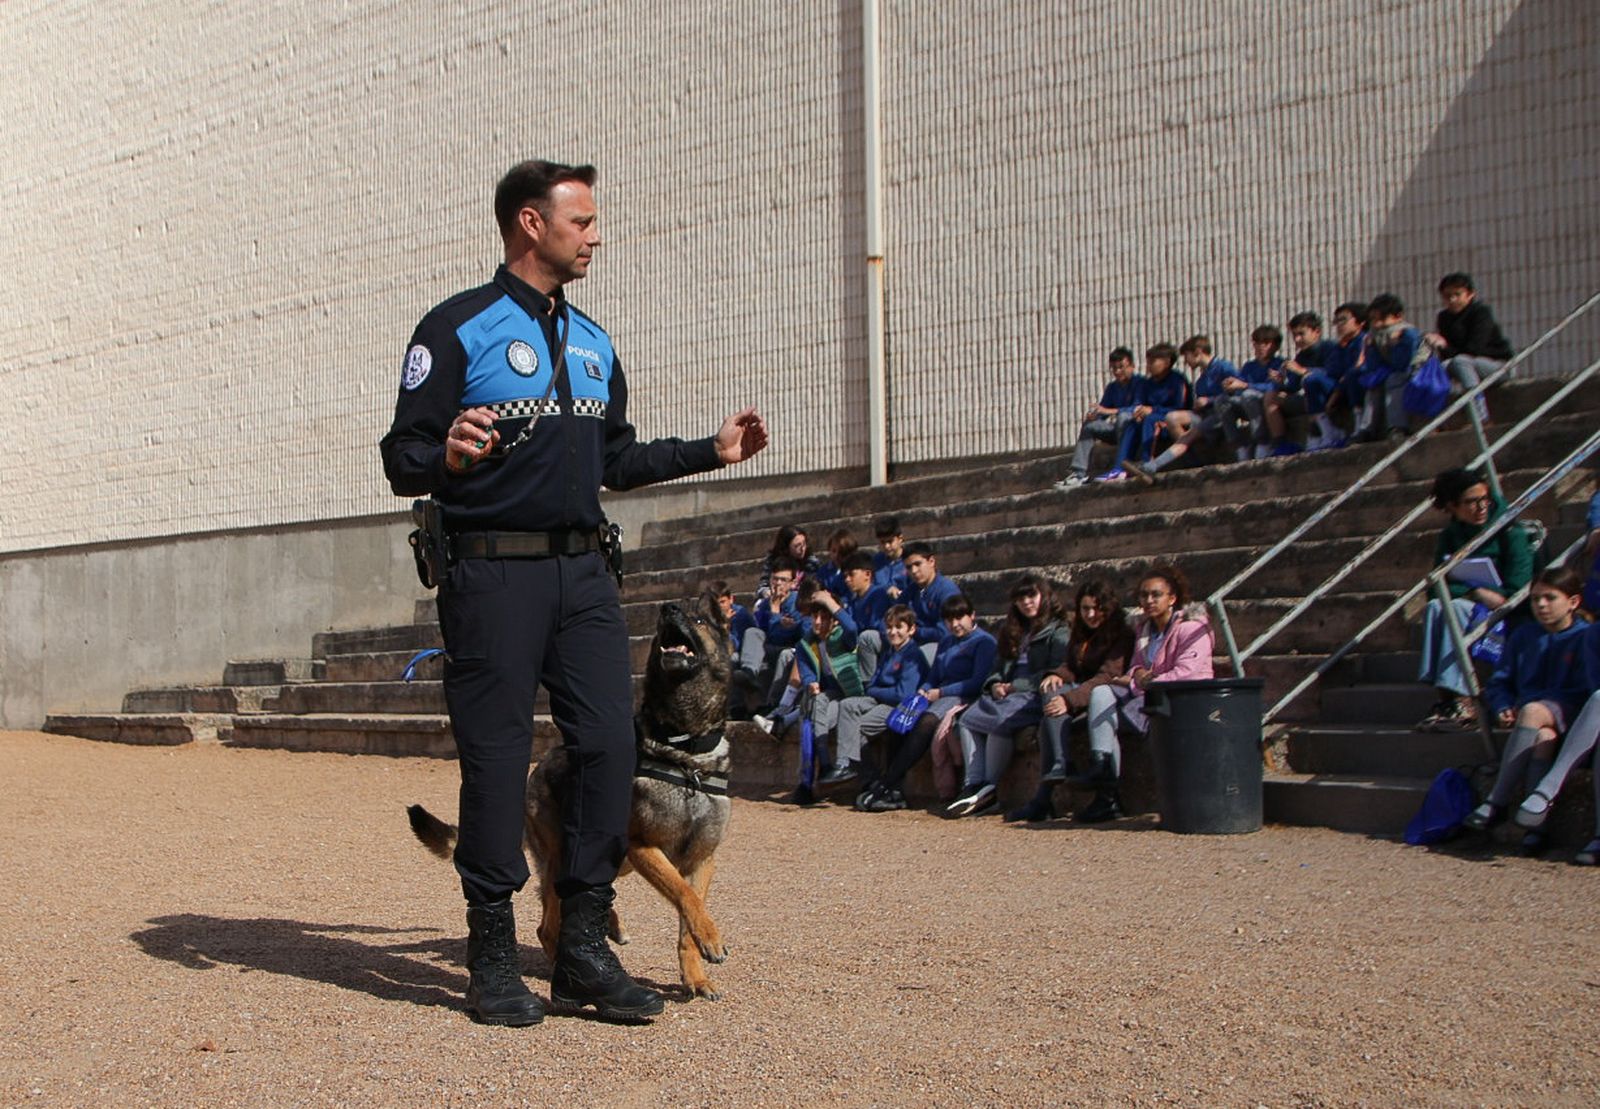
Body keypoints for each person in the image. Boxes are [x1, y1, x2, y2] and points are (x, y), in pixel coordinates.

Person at [379, 159, 767, 1026]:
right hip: (490, 575)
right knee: (497, 760)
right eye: (582, 221)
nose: (596, 235)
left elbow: (618, 461)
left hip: (585, 574)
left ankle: (584, 947)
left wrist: (711, 449)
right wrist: (445, 450)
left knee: (607, 749)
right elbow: (400, 453)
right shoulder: (455, 329)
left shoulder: (593, 341)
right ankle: (490, 956)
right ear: (529, 223)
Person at [1462, 566, 1592, 854]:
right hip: (1537, 718)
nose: (1541, 605)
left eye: (1550, 598)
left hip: (1574, 715)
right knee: (1543, 739)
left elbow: (1587, 690)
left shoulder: (1585, 637)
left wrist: (1532, 705)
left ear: (1573, 602)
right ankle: (1536, 830)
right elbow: (1500, 681)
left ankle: (1498, 798)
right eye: (1535, 599)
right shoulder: (1523, 635)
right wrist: (1503, 704)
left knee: (1533, 712)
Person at [1078, 563, 1214, 823]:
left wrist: (1144, 680)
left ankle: (1107, 792)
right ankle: (1103, 773)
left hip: (1183, 698)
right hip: (1149, 694)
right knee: (1101, 693)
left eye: (1156, 595)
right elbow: (1136, 667)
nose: (1148, 601)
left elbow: (1188, 672)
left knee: (1110, 706)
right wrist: (1140, 676)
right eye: (1143, 595)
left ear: (1172, 598)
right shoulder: (1145, 629)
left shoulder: (1192, 627)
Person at [1005, 578, 1135, 822]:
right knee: (1049, 696)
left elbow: (1107, 676)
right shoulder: (1081, 631)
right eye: (1085, 608)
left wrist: (1069, 699)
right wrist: (1057, 675)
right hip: (1086, 695)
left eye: (1097, 609)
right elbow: (1072, 665)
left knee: (1056, 713)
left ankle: (1107, 798)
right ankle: (1051, 783)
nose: (1091, 614)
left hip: (1111, 700)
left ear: (1109, 608)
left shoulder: (1122, 635)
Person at [1414, 467, 1533, 732]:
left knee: (1452, 608)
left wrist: (1485, 594)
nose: (1481, 507)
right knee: (1436, 606)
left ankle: (1462, 698)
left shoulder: (1509, 529)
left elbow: (1519, 584)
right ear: (1453, 507)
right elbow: (1436, 588)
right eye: (1471, 502)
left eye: (1484, 499)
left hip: (1507, 612)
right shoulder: (1450, 536)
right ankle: (1446, 697)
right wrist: (1473, 591)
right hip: (1473, 604)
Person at [855, 594, 998, 813]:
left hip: (965, 696)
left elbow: (977, 682)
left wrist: (940, 692)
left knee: (926, 722)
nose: (955, 624)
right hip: (939, 694)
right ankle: (895, 791)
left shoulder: (984, 642)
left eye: (960, 618)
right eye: (950, 620)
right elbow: (935, 674)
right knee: (899, 721)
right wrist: (925, 689)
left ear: (972, 616)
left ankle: (886, 783)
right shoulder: (947, 641)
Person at [947, 576, 1072, 817]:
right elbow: (998, 666)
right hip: (1008, 691)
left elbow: (1055, 672)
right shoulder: (1013, 630)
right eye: (1020, 598)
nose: (1026, 603)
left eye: (1031, 596)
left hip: (1032, 692)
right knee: (967, 717)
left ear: (1043, 596)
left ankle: (989, 788)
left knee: (998, 722)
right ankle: (973, 783)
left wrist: (1015, 686)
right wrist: (994, 684)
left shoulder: (1058, 629)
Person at [824, 605, 929, 789]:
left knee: (853, 730)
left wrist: (876, 691)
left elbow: (902, 693)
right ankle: (844, 765)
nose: (893, 632)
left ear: (911, 630)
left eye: (899, 627)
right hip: (880, 699)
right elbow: (873, 681)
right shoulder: (890, 652)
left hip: (898, 706)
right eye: (889, 627)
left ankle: (868, 777)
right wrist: (876, 690)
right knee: (848, 705)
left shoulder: (913, 655)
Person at [1124, 335, 1237, 481]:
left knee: (1185, 435)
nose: (1185, 361)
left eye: (1187, 356)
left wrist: (1209, 400)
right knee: (1173, 419)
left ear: (1197, 352)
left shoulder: (1224, 367)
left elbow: (1236, 390)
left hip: (1221, 416)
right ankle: (1151, 467)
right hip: (1205, 416)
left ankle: (1153, 465)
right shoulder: (1202, 378)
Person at [785, 591, 865, 795]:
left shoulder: (843, 637)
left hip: (850, 694)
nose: (818, 622)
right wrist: (811, 682)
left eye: (824, 617)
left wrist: (830, 602)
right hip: (829, 696)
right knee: (812, 713)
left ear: (834, 620)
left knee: (815, 713)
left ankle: (826, 771)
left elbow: (852, 627)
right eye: (815, 617)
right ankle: (817, 770)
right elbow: (806, 671)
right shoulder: (806, 643)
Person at [1424, 272, 1514, 426]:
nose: (1452, 300)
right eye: (1447, 296)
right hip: (1464, 364)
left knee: (1461, 361)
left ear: (1470, 294)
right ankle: (1438, 420)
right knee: (1435, 370)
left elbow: (1474, 349)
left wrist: (1445, 346)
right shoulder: (1444, 318)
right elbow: (1447, 356)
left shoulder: (1480, 313)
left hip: (1498, 365)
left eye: (1457, 295)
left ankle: (1480, 416)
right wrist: (1439, 346)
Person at [1054, 347, 1141, 489]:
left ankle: (1122, 465)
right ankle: (1078, 473)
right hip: (1117, 430)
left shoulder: (1140, 384)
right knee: (1090, 426)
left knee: (1124, 418)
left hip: (1134, 430)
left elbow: (1137, 408)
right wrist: (1095, 415)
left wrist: (1111, 411)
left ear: (1132, 366)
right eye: (1114, 368)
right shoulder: (1112, 388)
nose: (1117, 372)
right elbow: (1103, 410)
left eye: (1121, 367)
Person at [1098, 344, 1183, 482]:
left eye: (1152, 362)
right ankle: (1119, 467)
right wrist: (1139, 413)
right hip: (1151, 418)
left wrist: (1153, 410)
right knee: (1132, 423)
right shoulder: (1148, 383)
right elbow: (1141, 404)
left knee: (1149, 420)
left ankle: (1145, 462)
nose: (1148, 366)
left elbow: (1181, 408)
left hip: (1169, 421)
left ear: (1167, 362)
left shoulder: (1177, 381)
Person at [1263, 312, 1337, 455]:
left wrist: (1303, 371)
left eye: (1301, 334)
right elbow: (1293, 386)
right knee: (1271, 397)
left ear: (1317, 332)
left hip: (1331, 394)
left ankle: (1323, 433)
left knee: (1310, 381)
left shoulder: (1330, 348)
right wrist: (1280, 382)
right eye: (1294, 336)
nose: (1297, 339)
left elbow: (1332, 373)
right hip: (1308, 396)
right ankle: (1280, 443)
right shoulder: (1301, 356)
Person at [1355, 293, 1424, 442]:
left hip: (1417, 370)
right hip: (1393, 370)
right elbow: (1375, 366)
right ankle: (1366, 429)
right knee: (1373, 384)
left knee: (1394, 380)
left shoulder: (1407, 333)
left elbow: (1403, 363)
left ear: (1397, 316)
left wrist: (1396, 345)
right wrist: (1371, 348)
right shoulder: (1375, 335)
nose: (1377, 324)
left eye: (1382, 319)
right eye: (1373, 320)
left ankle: (1397, 427)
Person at [901, 541, 962, 660]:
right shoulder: (911, 590)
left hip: (943, 645)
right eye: (909, 567)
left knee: (918, 655)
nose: (914, 571)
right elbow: (892, 615)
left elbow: (945, 632)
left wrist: (914, 632)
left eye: (918, 564)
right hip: (913, 641)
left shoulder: (947, 590)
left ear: (931, 562)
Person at [840, 550, 893, 679]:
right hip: (860, 645)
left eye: (851, 574)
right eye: (845, 576)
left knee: (867, 636)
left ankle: (867, 682)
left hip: (883, 642)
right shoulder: (852, 601)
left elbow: (876, 627)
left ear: (867, 574)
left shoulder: (879, 594)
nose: (847, 580)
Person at [758, 525, 821, 597]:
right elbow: (762, 587)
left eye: (804, 544)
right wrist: (769, 593)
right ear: (786, 547)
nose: (802, 549)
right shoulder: (773, 560)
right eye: (797, 546)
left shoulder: (811, 562)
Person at [872, 516, 908, 594]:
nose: (886, 546)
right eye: (882, 542)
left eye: (890, 541)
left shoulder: (910, 560)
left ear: (900, 539)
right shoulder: (876, 562)